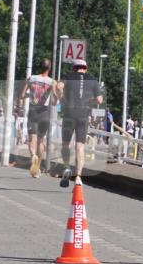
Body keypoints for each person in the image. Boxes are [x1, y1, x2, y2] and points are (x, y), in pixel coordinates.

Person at [56, 57, 103, 187]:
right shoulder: (92, 80)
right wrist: (90, 102)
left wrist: (62, 99)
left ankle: (66, 166)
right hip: (83, 115)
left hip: (69, 114)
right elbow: (99, 100)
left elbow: (58, 87)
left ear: (73, 68)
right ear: (85, 68)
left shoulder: (69, 76)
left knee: (66, 144)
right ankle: (78, 177)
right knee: (80, 146)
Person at [19, 58, 55, 178]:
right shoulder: (51, 82)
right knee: (41, 140)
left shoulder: (32, 78)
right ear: (49, 68)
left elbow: (22, 95)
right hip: (45, 112)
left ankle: (33, 154)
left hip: (33, 110)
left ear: (40, 67)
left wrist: (31, 95)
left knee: (32, 138)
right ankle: (37, 168)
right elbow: (54, 101)